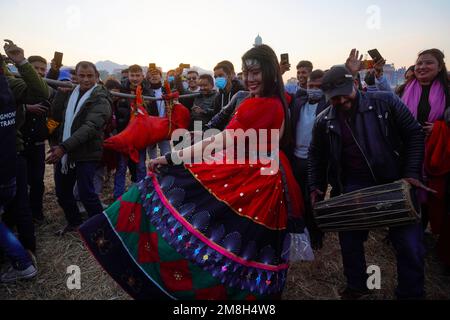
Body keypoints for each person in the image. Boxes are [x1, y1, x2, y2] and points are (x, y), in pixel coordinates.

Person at [79, 44, 307, 300]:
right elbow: (230, 136)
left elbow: (220, 141)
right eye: (246, 72)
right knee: (246, 248)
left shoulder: (259, 105)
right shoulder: (279, 101)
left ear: (270, 71)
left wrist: (170, 157)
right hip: (269, 177)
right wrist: (198, 134)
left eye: (256, 72)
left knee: (221, 234)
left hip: (252, 179)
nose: (250, 78)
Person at [308, 49, 428, 300]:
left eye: (343, 95)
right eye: (334, 99)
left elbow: (414, 134)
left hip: (394, 179)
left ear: (355, 84)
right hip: (353, 185)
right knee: (350, 242)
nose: (340, 102)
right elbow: (316, 156)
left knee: (409, 245)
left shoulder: (386, 101)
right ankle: (357, 286)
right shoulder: (324, 120)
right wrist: (315, 187)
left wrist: (411, 173)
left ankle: (411, 292)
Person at [47, 61, 112, 236]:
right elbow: (55, 115)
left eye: (90, 76)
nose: (85, 80)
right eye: (81, 76)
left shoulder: (101, 98)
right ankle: (75, 223)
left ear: (97, 77)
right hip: (67, 152)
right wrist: (60, 95)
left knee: (86, 193)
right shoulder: (71, 93)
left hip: (87, 152)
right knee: (62, 191)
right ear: (76, 76)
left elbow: (90, 127)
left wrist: (63, 147)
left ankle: (102, 229)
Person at [400, 49, 450, 269]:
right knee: (409, 192)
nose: (421, 67)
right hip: (409, 151)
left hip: (436, 154)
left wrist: (441, 128)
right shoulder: (404, 89)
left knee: (432, 194)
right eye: (418, 63)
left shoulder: (448, 91)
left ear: (440, 67)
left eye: (428, 63)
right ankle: (412, 236)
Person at [290, 70, 328, 249]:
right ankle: (300, 230)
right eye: (311, 86)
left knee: (315, 199)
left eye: (319, 87)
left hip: (317, 162)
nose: (314, 90)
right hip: (296, 158)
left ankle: (316, 233)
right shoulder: (298, 103)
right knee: (297, 197)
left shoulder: (328, 105)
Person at [113, 65, 149, 200]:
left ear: (142, 76)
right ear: (128, 76)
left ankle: (141, 194)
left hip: (140, 135)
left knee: (140, 165)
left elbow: (153, 112)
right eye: (132, 76)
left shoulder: (148, 91)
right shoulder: (121, 90)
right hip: (124, 134)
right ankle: (118, 196)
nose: (135, 78)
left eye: (137, 75)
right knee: (121, 166)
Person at [147, 67, 172, 160]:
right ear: (148, 77)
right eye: (151, 74)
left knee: (166, 152)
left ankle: (166, 170)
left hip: (164, 124)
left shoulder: (166, 89)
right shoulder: (145, 91)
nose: (154, 75)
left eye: (156, 73)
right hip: (151, 126)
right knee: (152, 152)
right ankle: (153, 171)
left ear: (160, 76)